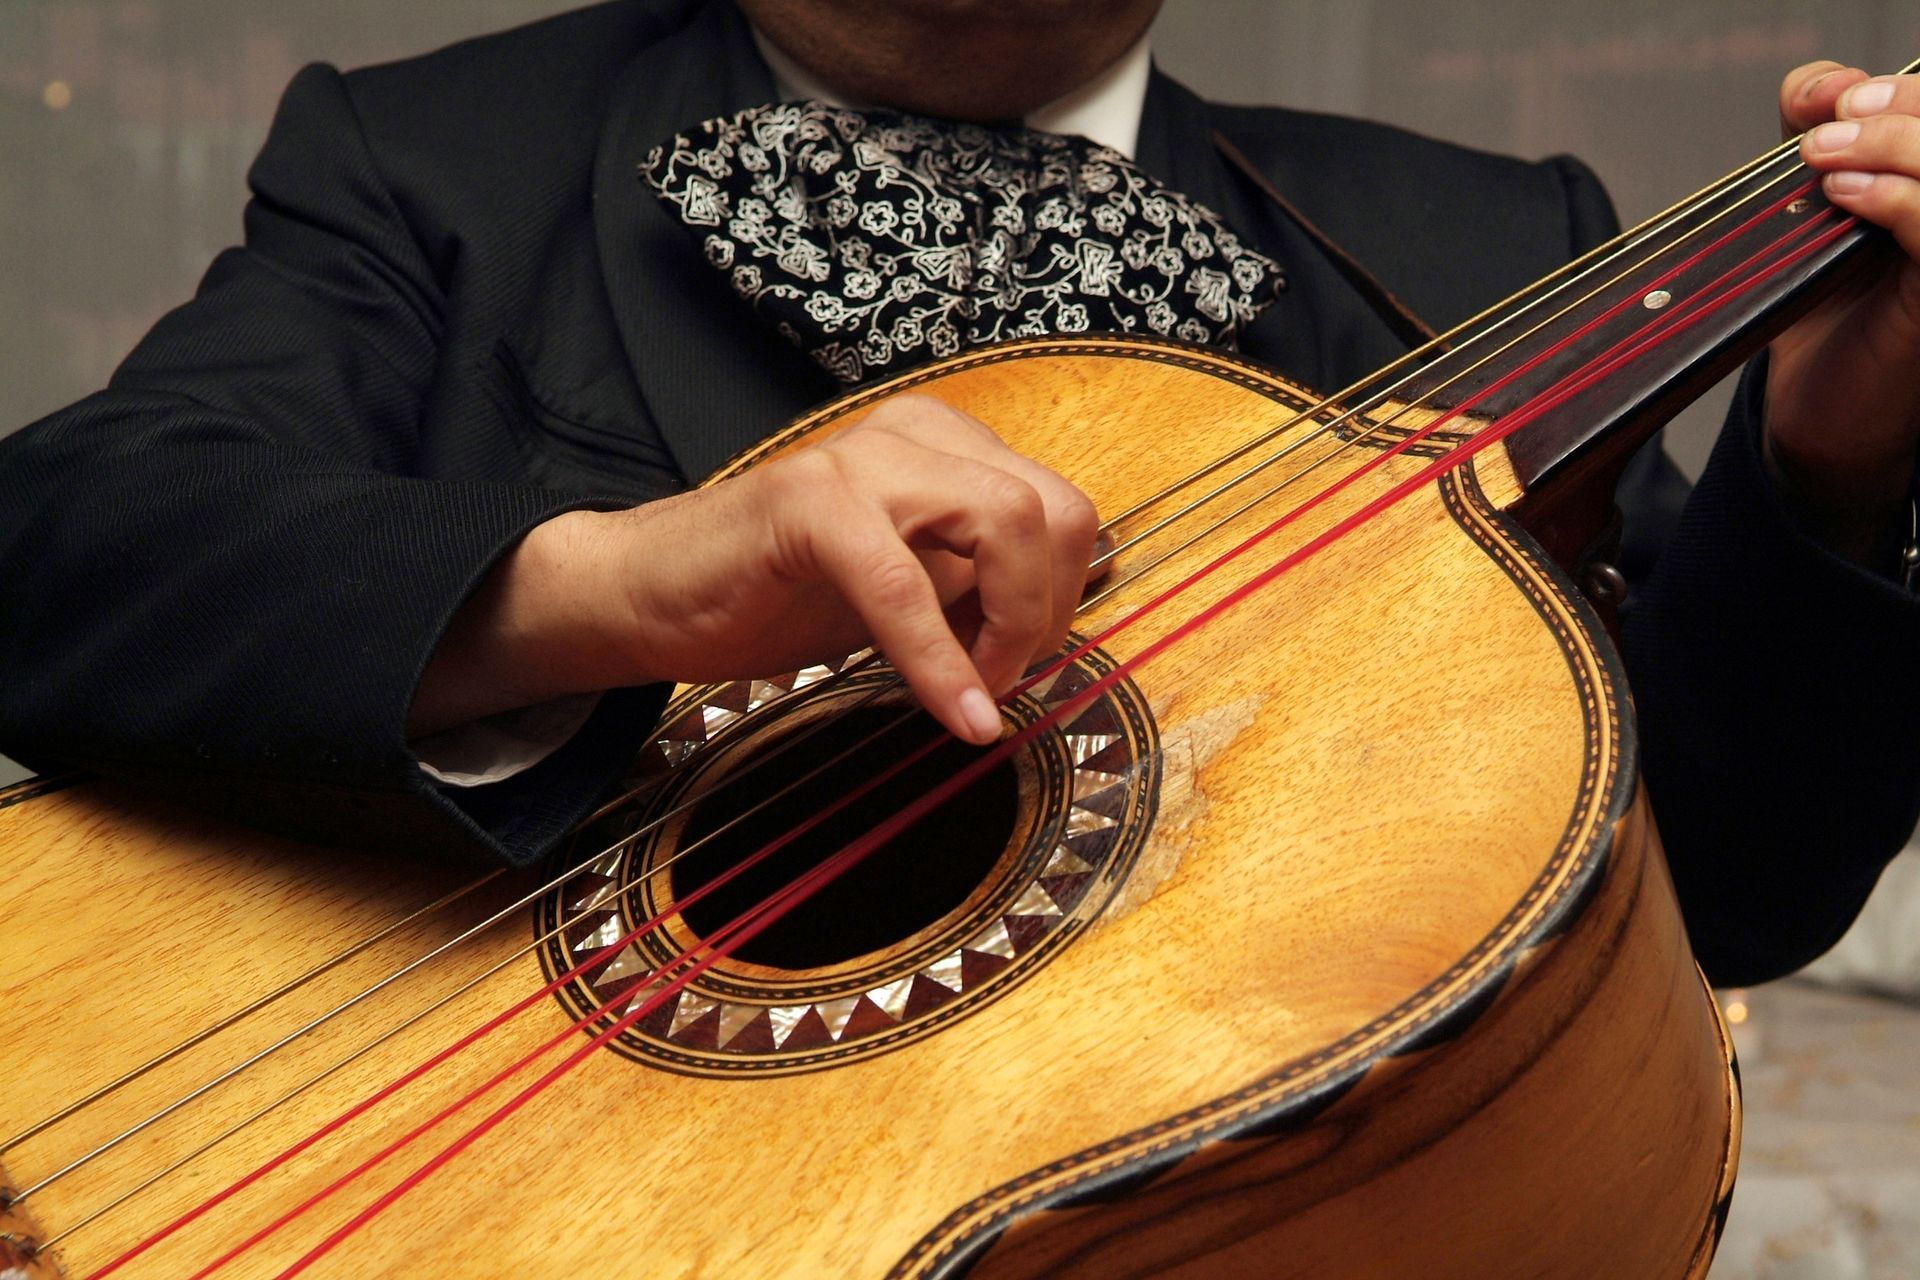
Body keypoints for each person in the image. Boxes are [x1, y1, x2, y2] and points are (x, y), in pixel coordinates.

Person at [1, 0, 1916, 987]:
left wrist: (1822, 470)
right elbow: (60, 557)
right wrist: (624, 584)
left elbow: (1713, 908)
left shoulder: (1497, 241)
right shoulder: (433, 149)